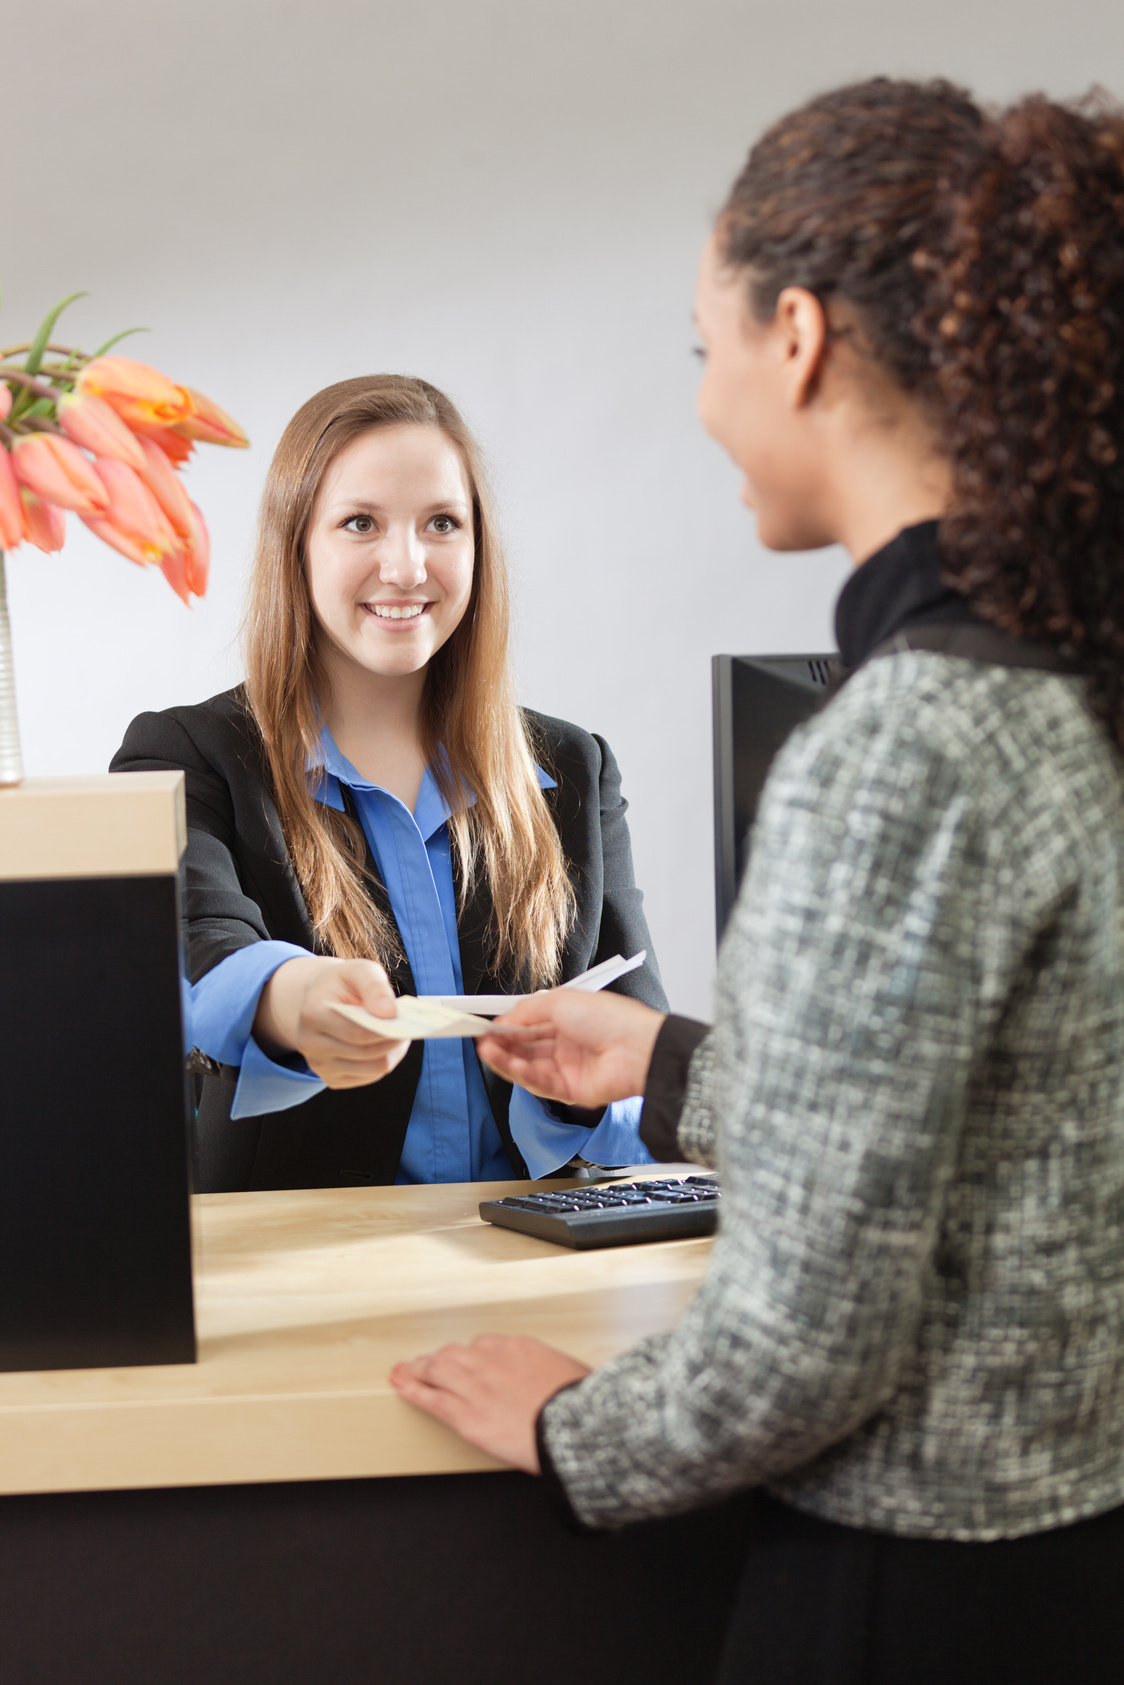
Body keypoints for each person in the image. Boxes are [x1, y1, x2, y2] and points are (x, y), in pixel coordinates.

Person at [389, 80, 1124, 1680]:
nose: (707, 399)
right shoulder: (1073, 684)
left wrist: (581, 1427)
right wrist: (676, 1067)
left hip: (914, 1595)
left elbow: (807, 1344)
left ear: (795, 337)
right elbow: (1022, 1128)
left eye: (702, 346)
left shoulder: (902, 747)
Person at [112, 375, 666, 1191]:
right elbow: (191, 955)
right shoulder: (186, 753)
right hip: (308, 1267)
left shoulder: (573, 767)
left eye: (442, 523)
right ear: (297, 543)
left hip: (534, 1254)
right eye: (359, 523)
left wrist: (588, 1095)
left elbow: (646, 1062)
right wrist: (290, 995)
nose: (406, 566)